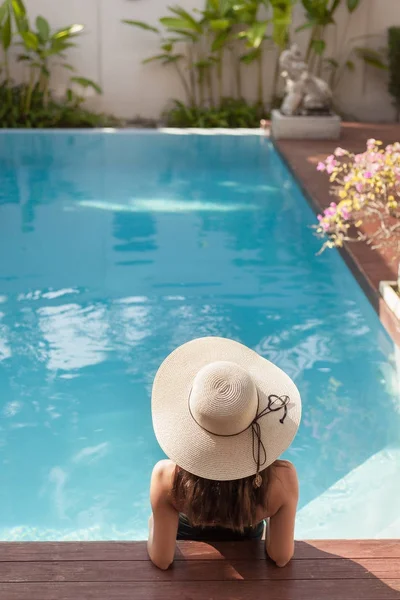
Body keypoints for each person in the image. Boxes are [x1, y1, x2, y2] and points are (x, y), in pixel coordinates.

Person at [148, 336, 301, 570]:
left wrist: (152, 523)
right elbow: (280, 556)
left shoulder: (167, 477)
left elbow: (163, 559)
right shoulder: (282, 479)